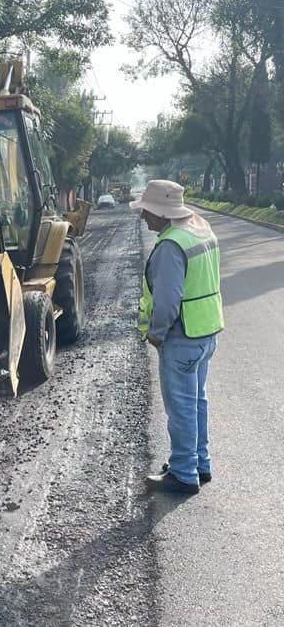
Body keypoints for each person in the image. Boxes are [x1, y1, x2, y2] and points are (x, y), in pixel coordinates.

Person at [131, 180, 224, 495]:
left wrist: (156, 334)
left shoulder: (171, 246)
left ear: (163, 213)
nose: (144, 217)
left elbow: (168, 300)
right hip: (205, 331)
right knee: (196, 401)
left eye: (147, 211)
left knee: (181, 407)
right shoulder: (200, 229)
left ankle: (184, 473)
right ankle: (200, 463)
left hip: (181, 336)